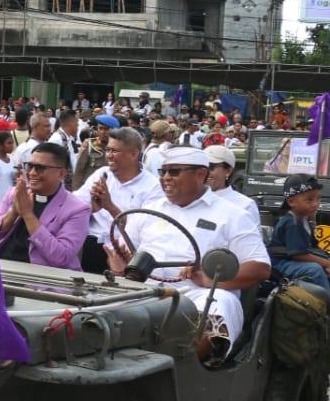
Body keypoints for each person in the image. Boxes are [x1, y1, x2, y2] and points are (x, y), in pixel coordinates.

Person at [104, 146, 270, 361]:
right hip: (144, 289)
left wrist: (208, 278)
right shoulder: (149, 210)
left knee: (220, 301)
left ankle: (187, 365)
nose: (165, 178)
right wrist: (118, 266)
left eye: (174, 172)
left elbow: (260, 268)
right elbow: (122, 254)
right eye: (163, 171)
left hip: (197, 293)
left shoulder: (233, 214)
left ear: (200, 174)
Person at [72, 128, 163, 274]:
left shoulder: (152, 187)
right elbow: (75, 204)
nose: (108, 155)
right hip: (89, 245)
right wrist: (91, 208)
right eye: (107, 150)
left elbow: (142, 231)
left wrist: (110, 207)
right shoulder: (101, 174)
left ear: (134, 154)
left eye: (114, 151)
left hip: (123, 255)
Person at [0, 142, 89, 270]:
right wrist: (14, 211)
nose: (32, 173)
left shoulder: (77, 209)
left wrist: (28, 215)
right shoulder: (16, 193)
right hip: (2, 268)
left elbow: (61, 257)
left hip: (44, 277)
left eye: (40, 168)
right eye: (30, 166)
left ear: (61, 174)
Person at [267, 174, 330, 293]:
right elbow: (298, 254)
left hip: (293, 260)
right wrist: (326, 263)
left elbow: (312, 247)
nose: (315, 204)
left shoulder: (303, 219)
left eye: (318, 199)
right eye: (309, 200)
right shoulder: (292, 222)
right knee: (314, 269)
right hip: (281, 263)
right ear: (291, 201)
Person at [204, 145, 261, 228]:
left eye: (211, 167)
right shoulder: (189, 200)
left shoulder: (245, 205)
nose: (205, 172)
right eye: (202, 167)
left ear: (228, 171)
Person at [72, 114, 119, 189]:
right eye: (100, 128)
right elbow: (79, 170)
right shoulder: (89, 144)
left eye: (106, 129)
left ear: (114, 130)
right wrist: (76, 191)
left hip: (110, 189)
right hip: (90, 188)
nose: (103, 132)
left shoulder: (118, 147)